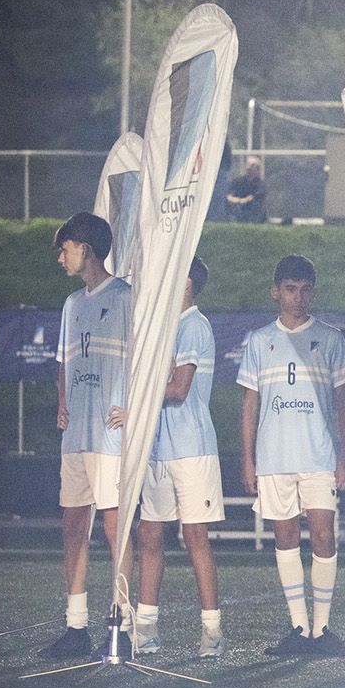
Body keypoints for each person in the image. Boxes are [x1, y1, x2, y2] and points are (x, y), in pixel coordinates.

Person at [237, 255, 345, 657]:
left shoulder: (331, 339)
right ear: (276, 292)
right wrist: (248, 459)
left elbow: (344, 403)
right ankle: (298, 628)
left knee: (324, 535)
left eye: (305, 289)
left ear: (313, 292)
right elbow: (250, 405)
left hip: (319, 456)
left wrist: (344, 457)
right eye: (290, 288)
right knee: (285, 537)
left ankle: (322, 630)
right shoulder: (258, 341)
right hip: (273, 458)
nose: (298, 297)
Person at [42, 212, 131, 658]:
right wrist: (62, 404)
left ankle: (123, 624)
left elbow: (150, 360)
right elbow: (64, 362)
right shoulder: (72, 304)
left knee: (116, 529)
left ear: (86, 249)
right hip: (76, 434)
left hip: (111, 437)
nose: (61, 257)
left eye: (65, 248)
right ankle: (76, 627)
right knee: (73, 526)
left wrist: (131, 406)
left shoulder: (127, 298)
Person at [129, 257, 226, 658]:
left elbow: (179, 389)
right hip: (157, 448)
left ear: (187, 282)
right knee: (149, 535)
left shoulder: (192, 325)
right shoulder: (161, 326)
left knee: (194, 537)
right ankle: (146, 629)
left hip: (192, 450)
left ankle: (212, 632)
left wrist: (134, 401)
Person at [225, 158, 268, 223]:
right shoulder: (237, 181)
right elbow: (229, 195)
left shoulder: (260, 184)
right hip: (236, 212)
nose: (249, 167)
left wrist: (242, 200)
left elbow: (252, 198)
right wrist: (233, 199)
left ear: (258, 169)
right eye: (248, 164)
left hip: (253, 215)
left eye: (252, 165)